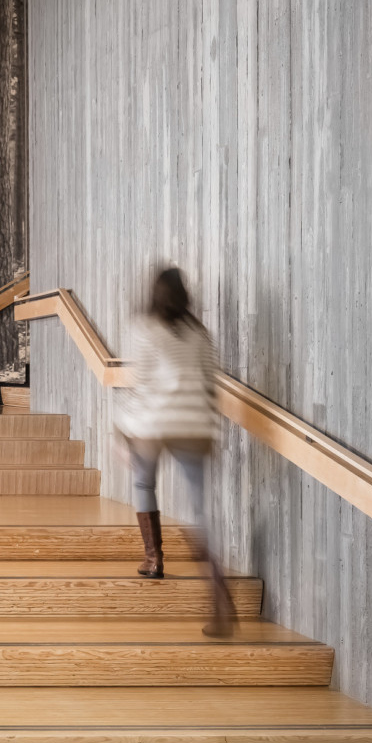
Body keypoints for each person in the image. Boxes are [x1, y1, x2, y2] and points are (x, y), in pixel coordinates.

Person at [115, 267, 235, 637]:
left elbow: (140, 384)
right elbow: (211, 383)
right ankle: (217, 588)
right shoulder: (200, 332)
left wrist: (123, 428)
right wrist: (207, 426)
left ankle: (154, 559)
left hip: (155, 423)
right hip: (195, 425)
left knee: (142, 482)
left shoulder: (145, 327)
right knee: (200, 510)